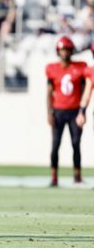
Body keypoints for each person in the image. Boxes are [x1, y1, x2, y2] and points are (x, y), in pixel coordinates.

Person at [46, 36, 87, 186]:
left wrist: (83, 111)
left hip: (75, 111)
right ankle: (54, 176)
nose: (65, 53)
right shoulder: (52, 68)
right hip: (58, 111)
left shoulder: (80, 67)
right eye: (63, 49)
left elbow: (84, 90)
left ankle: (77, 175)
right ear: (58, 51)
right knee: (55, 144)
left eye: (68, 50)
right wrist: (49, 112)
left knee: (76, 143)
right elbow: (49, 92)